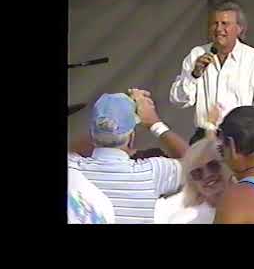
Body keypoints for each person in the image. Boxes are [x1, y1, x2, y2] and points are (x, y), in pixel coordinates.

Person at [68, 89, 190, 224]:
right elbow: (197, 162)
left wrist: (105, 126)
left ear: (91, 134)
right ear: (132, 136)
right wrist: (154, 123)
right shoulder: (152, 172)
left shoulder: (72, 169)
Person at [169, 0, 254, 143]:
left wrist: (253, 141)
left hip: (240, 140)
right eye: (215, 23)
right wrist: (194, 75)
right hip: (204, 138)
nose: (219, 29)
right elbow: (178, 100)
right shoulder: (198, 54)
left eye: (225, 24)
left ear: (239, 29)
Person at [154, 138, 232, 224]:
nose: (207, 175)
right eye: (197, 173)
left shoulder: (247, 198)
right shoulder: (186, 219)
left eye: (213, 166)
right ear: (192, 182)